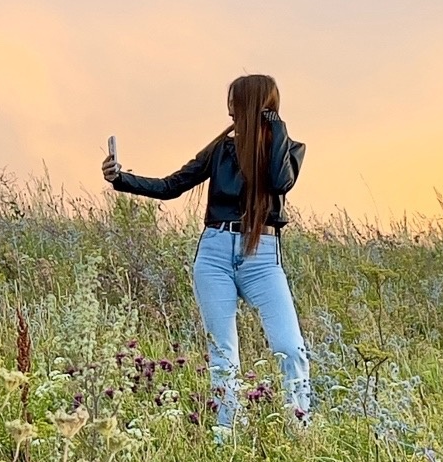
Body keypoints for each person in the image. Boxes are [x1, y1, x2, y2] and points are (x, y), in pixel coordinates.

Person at [104, 74, 310, 434]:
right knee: (223, 353)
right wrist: (120, 178)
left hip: (262, 256)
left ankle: (299, 427)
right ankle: (227, 431)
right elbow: (171, 186)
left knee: (289, 348)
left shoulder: (288, 149)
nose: (228, 108)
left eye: (235, 101)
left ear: (253, 105)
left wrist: (276, 125)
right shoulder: (221, 150)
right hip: (214, 253)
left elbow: (280, 182)